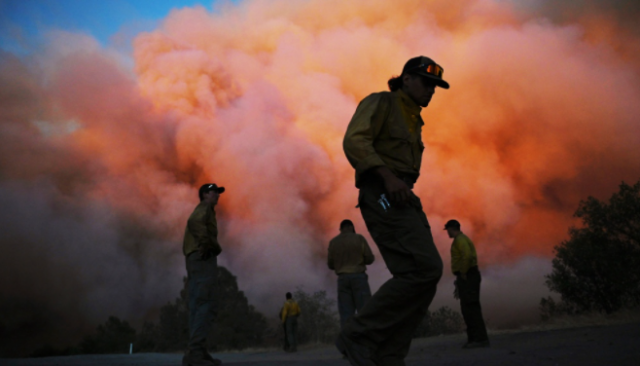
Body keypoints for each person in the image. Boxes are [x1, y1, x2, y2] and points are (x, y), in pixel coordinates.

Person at [339, 56, 449, 366]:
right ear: (406, 80)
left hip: (402, 196)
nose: (432, 90)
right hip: (382, 192)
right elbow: (355, 141)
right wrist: (387, 177)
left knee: (420, 276)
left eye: (435, 86)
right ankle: (358, 335)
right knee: (426, 269)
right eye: (427, 83)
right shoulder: (382, 102)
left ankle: (389, 354)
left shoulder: (414, 117)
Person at [182, 183, 225, 366]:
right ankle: (196, 354)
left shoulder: (206, 209)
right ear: (205, 194)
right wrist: (206, 244)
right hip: (202, 259)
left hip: (194, 259)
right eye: (215, 192)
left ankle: (196, 352)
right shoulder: (205, 207)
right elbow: (193, 222)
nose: (218, 195)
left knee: (197, 305)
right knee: (207, 303)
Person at [445, 219, 490, 349]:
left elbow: (468, 256)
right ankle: (474, 339)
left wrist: (463, 272)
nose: (447, 232)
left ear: (452, 228)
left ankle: (479, 339)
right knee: (468, 308)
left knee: (471, 307)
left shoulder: (460, 240)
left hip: (469, 276)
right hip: (467, 276)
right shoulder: (461, 239)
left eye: (447, 229)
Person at [328, 219, 375, 328]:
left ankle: (349, 342)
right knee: (365, 311)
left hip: (342, 279)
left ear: (341, 229)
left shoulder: (333, 242)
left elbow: (330, 265)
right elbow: (369, 259)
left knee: (346, 315)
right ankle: (367, 340)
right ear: (351, 227)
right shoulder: (359, 238)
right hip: (359, 278)